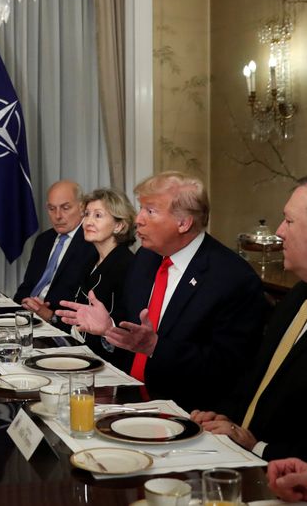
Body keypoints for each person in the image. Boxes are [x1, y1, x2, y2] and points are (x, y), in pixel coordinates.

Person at [56, 171, 267, 410]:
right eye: (141, 209)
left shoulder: (232, 278)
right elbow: (135, 336)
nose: (138, 219)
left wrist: (156, 347)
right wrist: (109, 329)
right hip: (125, 397)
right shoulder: (146, 258)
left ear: (183, 222)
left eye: (150, 211)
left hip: (184, 410)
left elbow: (227, 367)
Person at [190, 178, 307, 461]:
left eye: (289, 222)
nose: (279, 232)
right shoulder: (297, 295)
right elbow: (258, 376)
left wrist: (258, 447)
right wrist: (225, 417)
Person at [14, 180, 97, 324]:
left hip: (57, 324)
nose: (57, 216)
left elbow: (83, 303)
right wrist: (26, 304)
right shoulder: (44, 240)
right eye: (51, 209)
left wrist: (50, 315)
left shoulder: (92, 244)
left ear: (82, 207)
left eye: (65, 208)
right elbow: (26, 287)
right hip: (26, 317)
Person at [70, 188, 135, 369]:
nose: (88, 221)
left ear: (119, 226)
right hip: (82, 353)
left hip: (111, 364)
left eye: (98, 215)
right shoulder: (89, 260)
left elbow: (127, 328)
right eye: (87, 214)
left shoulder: (128, 266)